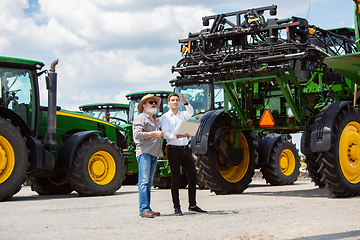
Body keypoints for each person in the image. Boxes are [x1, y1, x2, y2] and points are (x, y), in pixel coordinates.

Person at [160, 92, 207, 215]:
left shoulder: (183, 115)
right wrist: (177, 135)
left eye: (177, 100)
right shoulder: (165, 117)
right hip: (173, 149)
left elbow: (191, 112)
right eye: (173, 100)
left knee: (193, 176)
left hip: (185, 149)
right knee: (175, 179)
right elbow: (165, 134)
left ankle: (192, 205)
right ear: (169, 103)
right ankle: (177, 207)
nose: (175, 102)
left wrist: (186, 102)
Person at [133, 94, 164, 218]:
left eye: (155, 103)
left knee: (149, 182)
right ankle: (143, 209)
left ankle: (148, 208)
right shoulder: (141, 118)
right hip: (145, 153)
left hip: (153, 153)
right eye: (151, 102)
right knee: (144, 182)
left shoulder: (153, 119)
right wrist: (155, 133)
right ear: (144, 106)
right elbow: (137, 135)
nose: (154, 105)